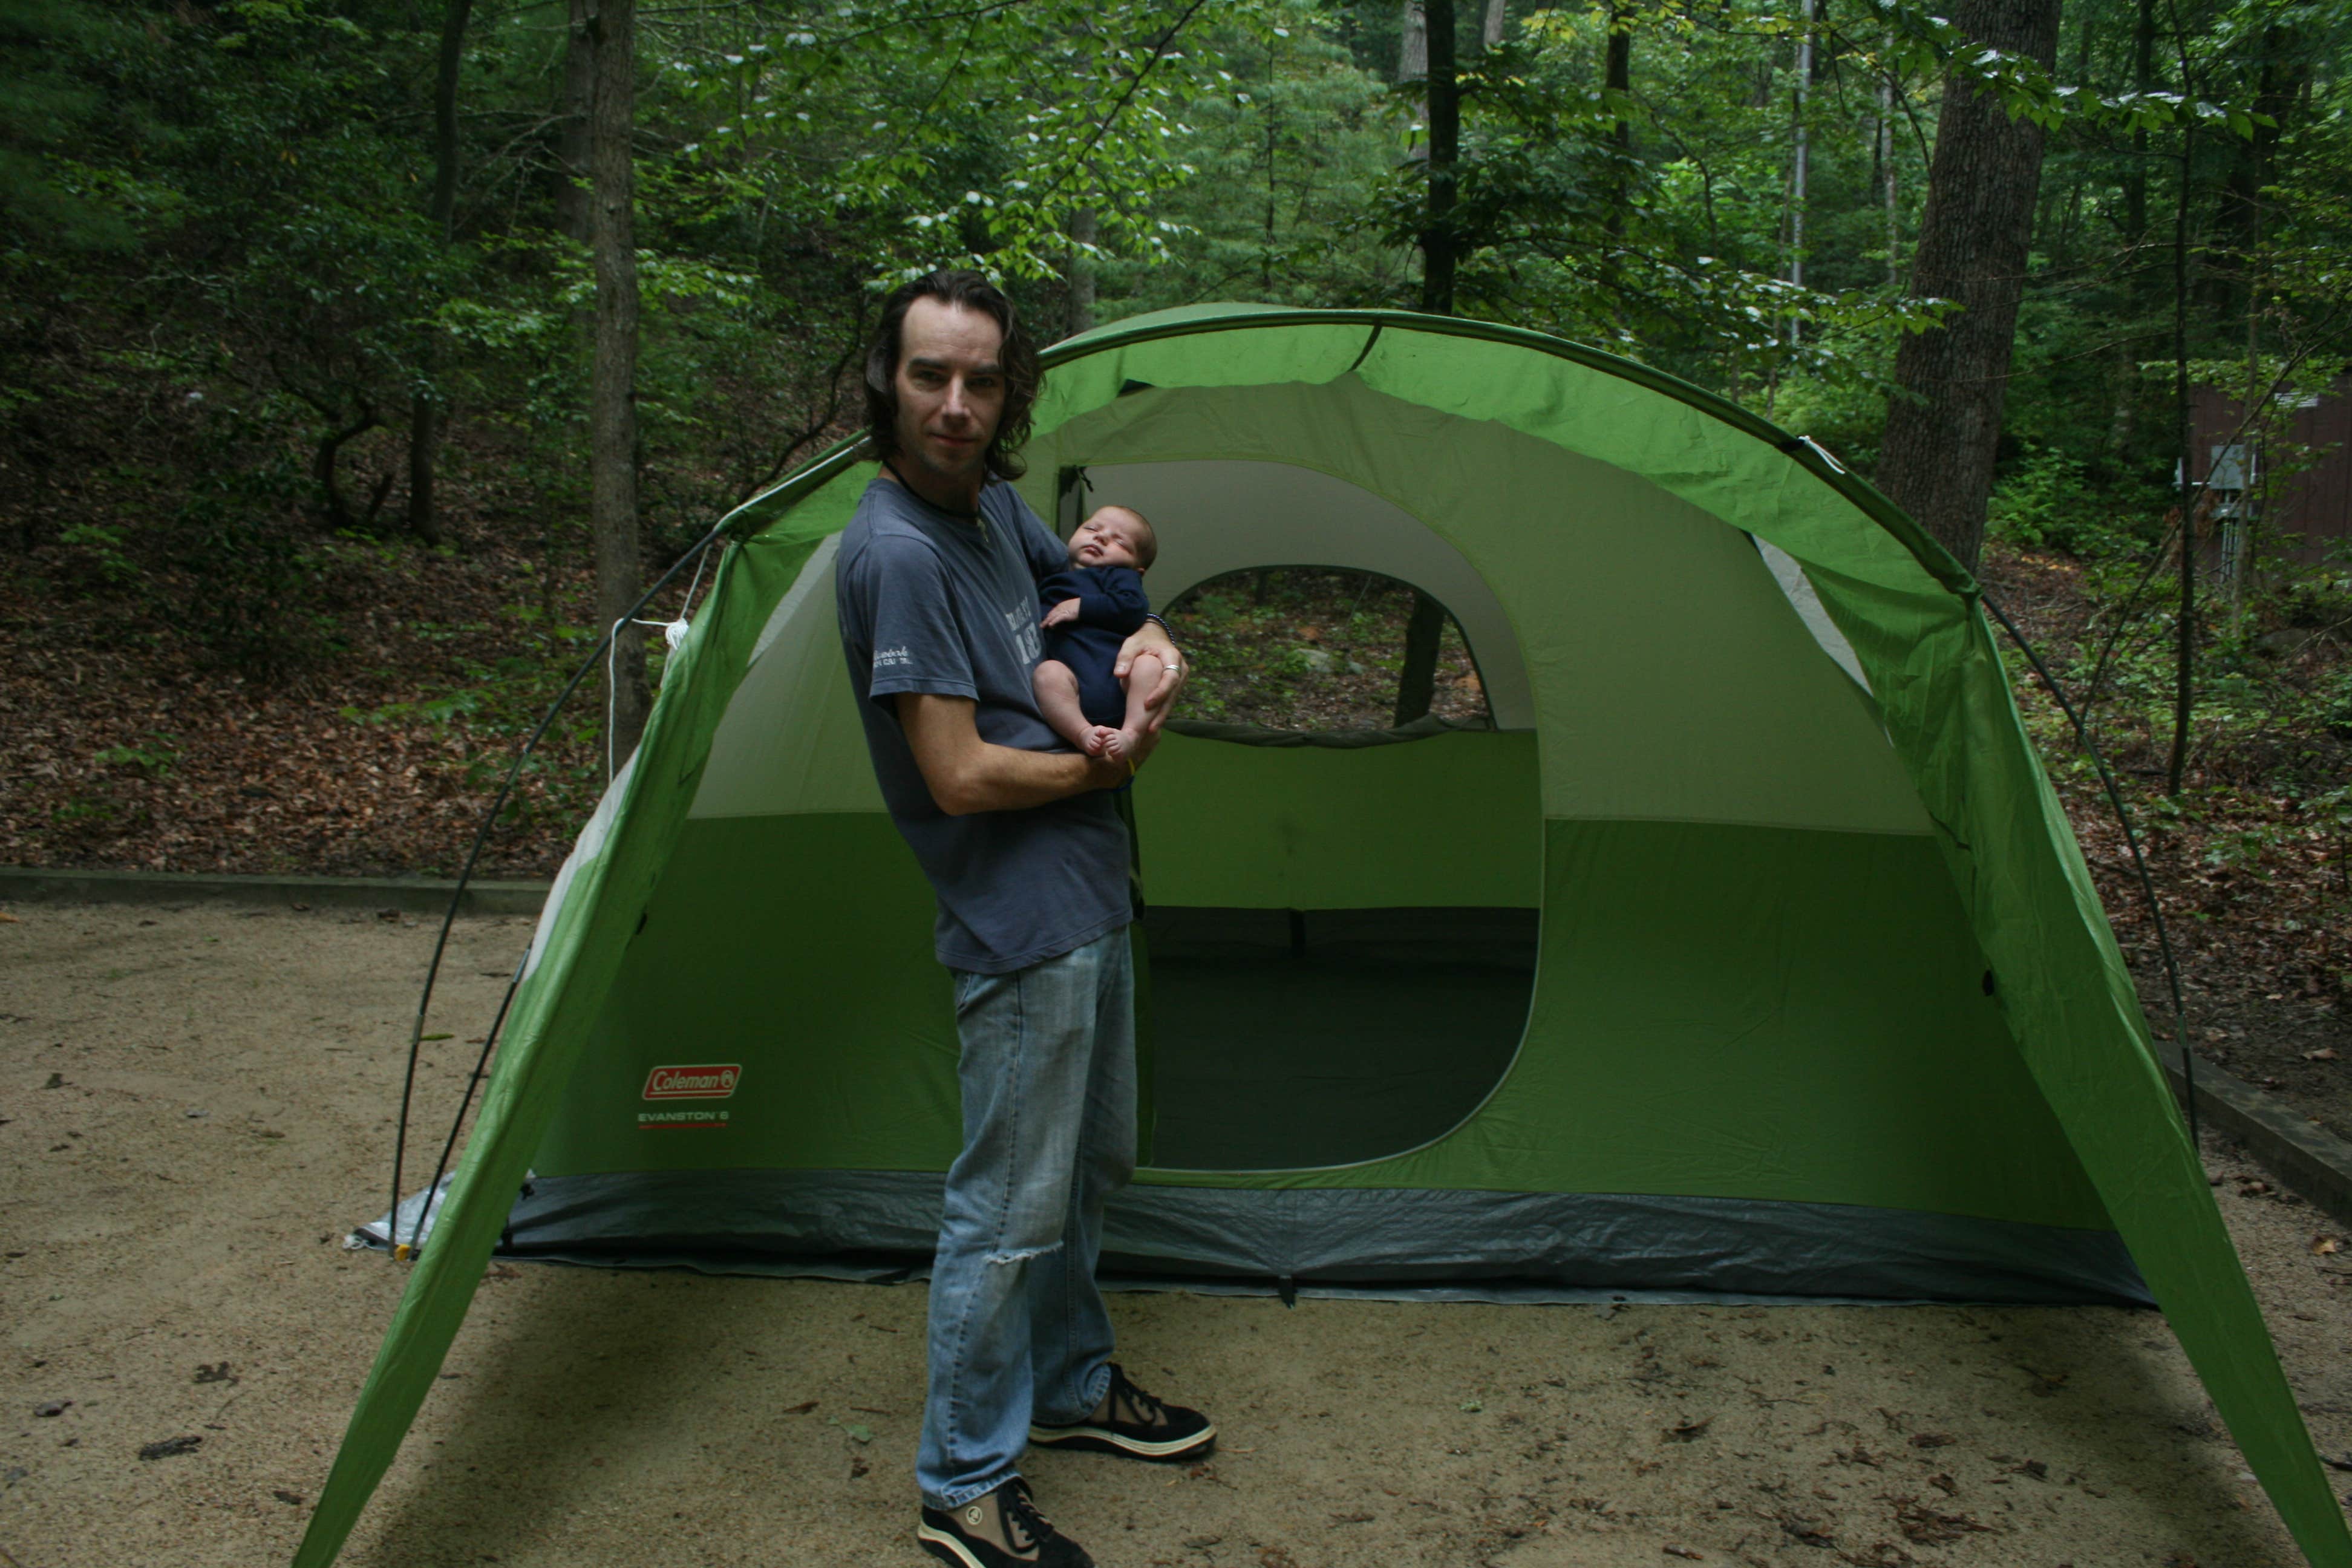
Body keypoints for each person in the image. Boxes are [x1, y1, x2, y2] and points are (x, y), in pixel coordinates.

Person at [832, 269, 1215, 1568]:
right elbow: (959, 775)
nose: (955, 403)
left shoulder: (997, 511)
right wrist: (1107, 767)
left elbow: (1112, 602)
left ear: (1009, 395)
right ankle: (963, 1484)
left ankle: (1068, 1384)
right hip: (1018, 919)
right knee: (1005, 1207)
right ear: (886, 379)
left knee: (1089, 1167)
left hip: (1092, 891)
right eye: (931, 374)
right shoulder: (893, 553)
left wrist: (1158, 652)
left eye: (981, 380)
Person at [1031, 505, 1166, 765]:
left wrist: (1082, 606)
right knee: (1047, 674)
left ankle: (1131, 732)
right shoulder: (1051, 579)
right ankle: (1083, 732)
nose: (1101, 537)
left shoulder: (1119, 576)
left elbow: (1134, 607)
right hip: (1072, 687)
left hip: (1120, 680)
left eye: (1120, 541)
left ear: (1138, 569)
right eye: (1092, 528)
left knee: (1149, 664)